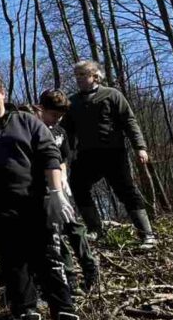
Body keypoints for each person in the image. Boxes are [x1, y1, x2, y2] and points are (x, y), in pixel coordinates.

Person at [0, 71, 78, 320]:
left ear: (2, 92)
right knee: (14, 263)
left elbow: (50, 157)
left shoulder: (28, 122)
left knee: (48, 258)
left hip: (35, 205)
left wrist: (57, 192)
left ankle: (65, 313)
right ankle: (26, 315)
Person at [64, 60, 156, 249]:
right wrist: (67, 154)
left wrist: (140, 147)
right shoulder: (72, 102)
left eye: (83, 74)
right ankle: (96, 230)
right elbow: (67, 131)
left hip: (113, 152)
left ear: (95, 76)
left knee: (126, 190)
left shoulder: (112, 95)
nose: (79, 78)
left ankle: (147, 235)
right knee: (77, 185)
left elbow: (129, 121)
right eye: (77, 75)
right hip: (86, 154)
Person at [38, 89, 99, 292]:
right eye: (53, 115)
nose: (56, 119)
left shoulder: (60, 132)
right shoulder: (32, 128)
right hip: (41, 190)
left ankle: (89, 267)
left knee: (73, 226)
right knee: (53, 232)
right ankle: (69, 274)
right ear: (41, 109)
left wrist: (63, 178)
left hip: (59, 188)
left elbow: (63, 159)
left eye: (60, 116)